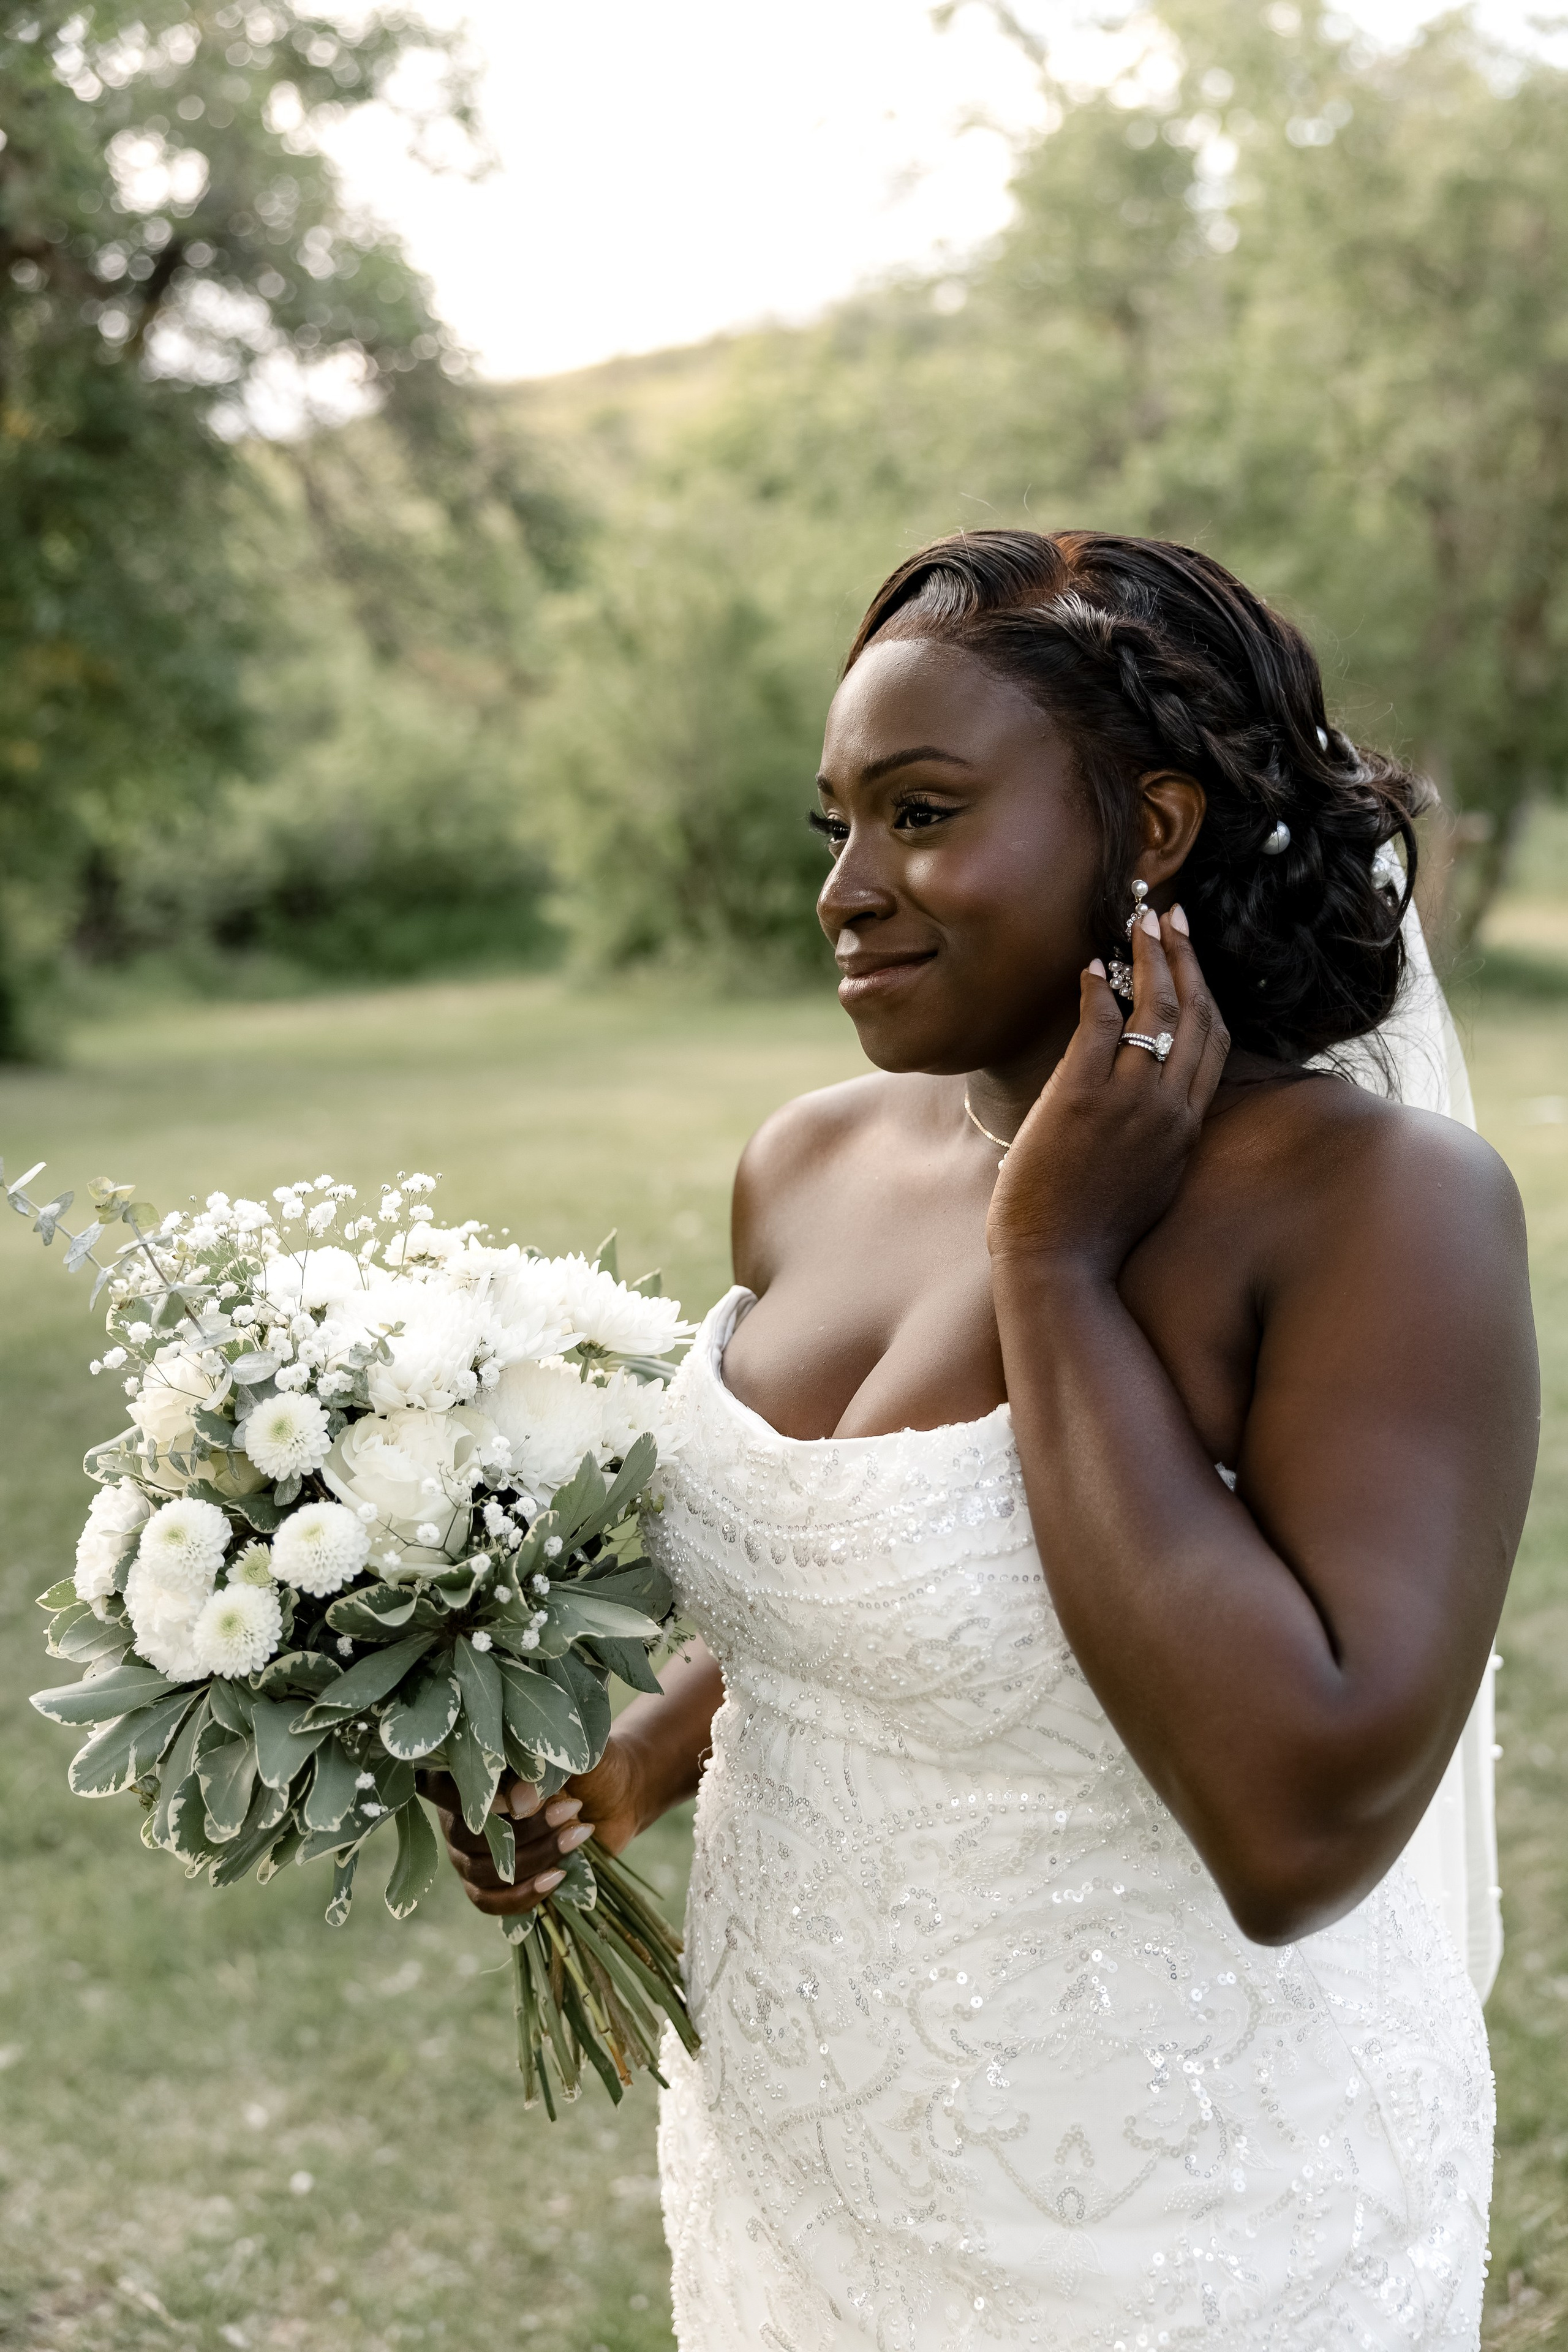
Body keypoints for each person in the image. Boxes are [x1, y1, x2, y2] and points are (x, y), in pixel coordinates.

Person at [438, 531, 1537, 2350]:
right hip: (805, 2164)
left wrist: (1054, 1256)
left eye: (925, 813)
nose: (847, 891)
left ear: (1155, 831)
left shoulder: (1372, 1207)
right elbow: (887, 1569)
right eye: (837, 827)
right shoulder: (804, 1165)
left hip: (1175, 2211)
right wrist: (641, 1758)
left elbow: (1296, 1827)